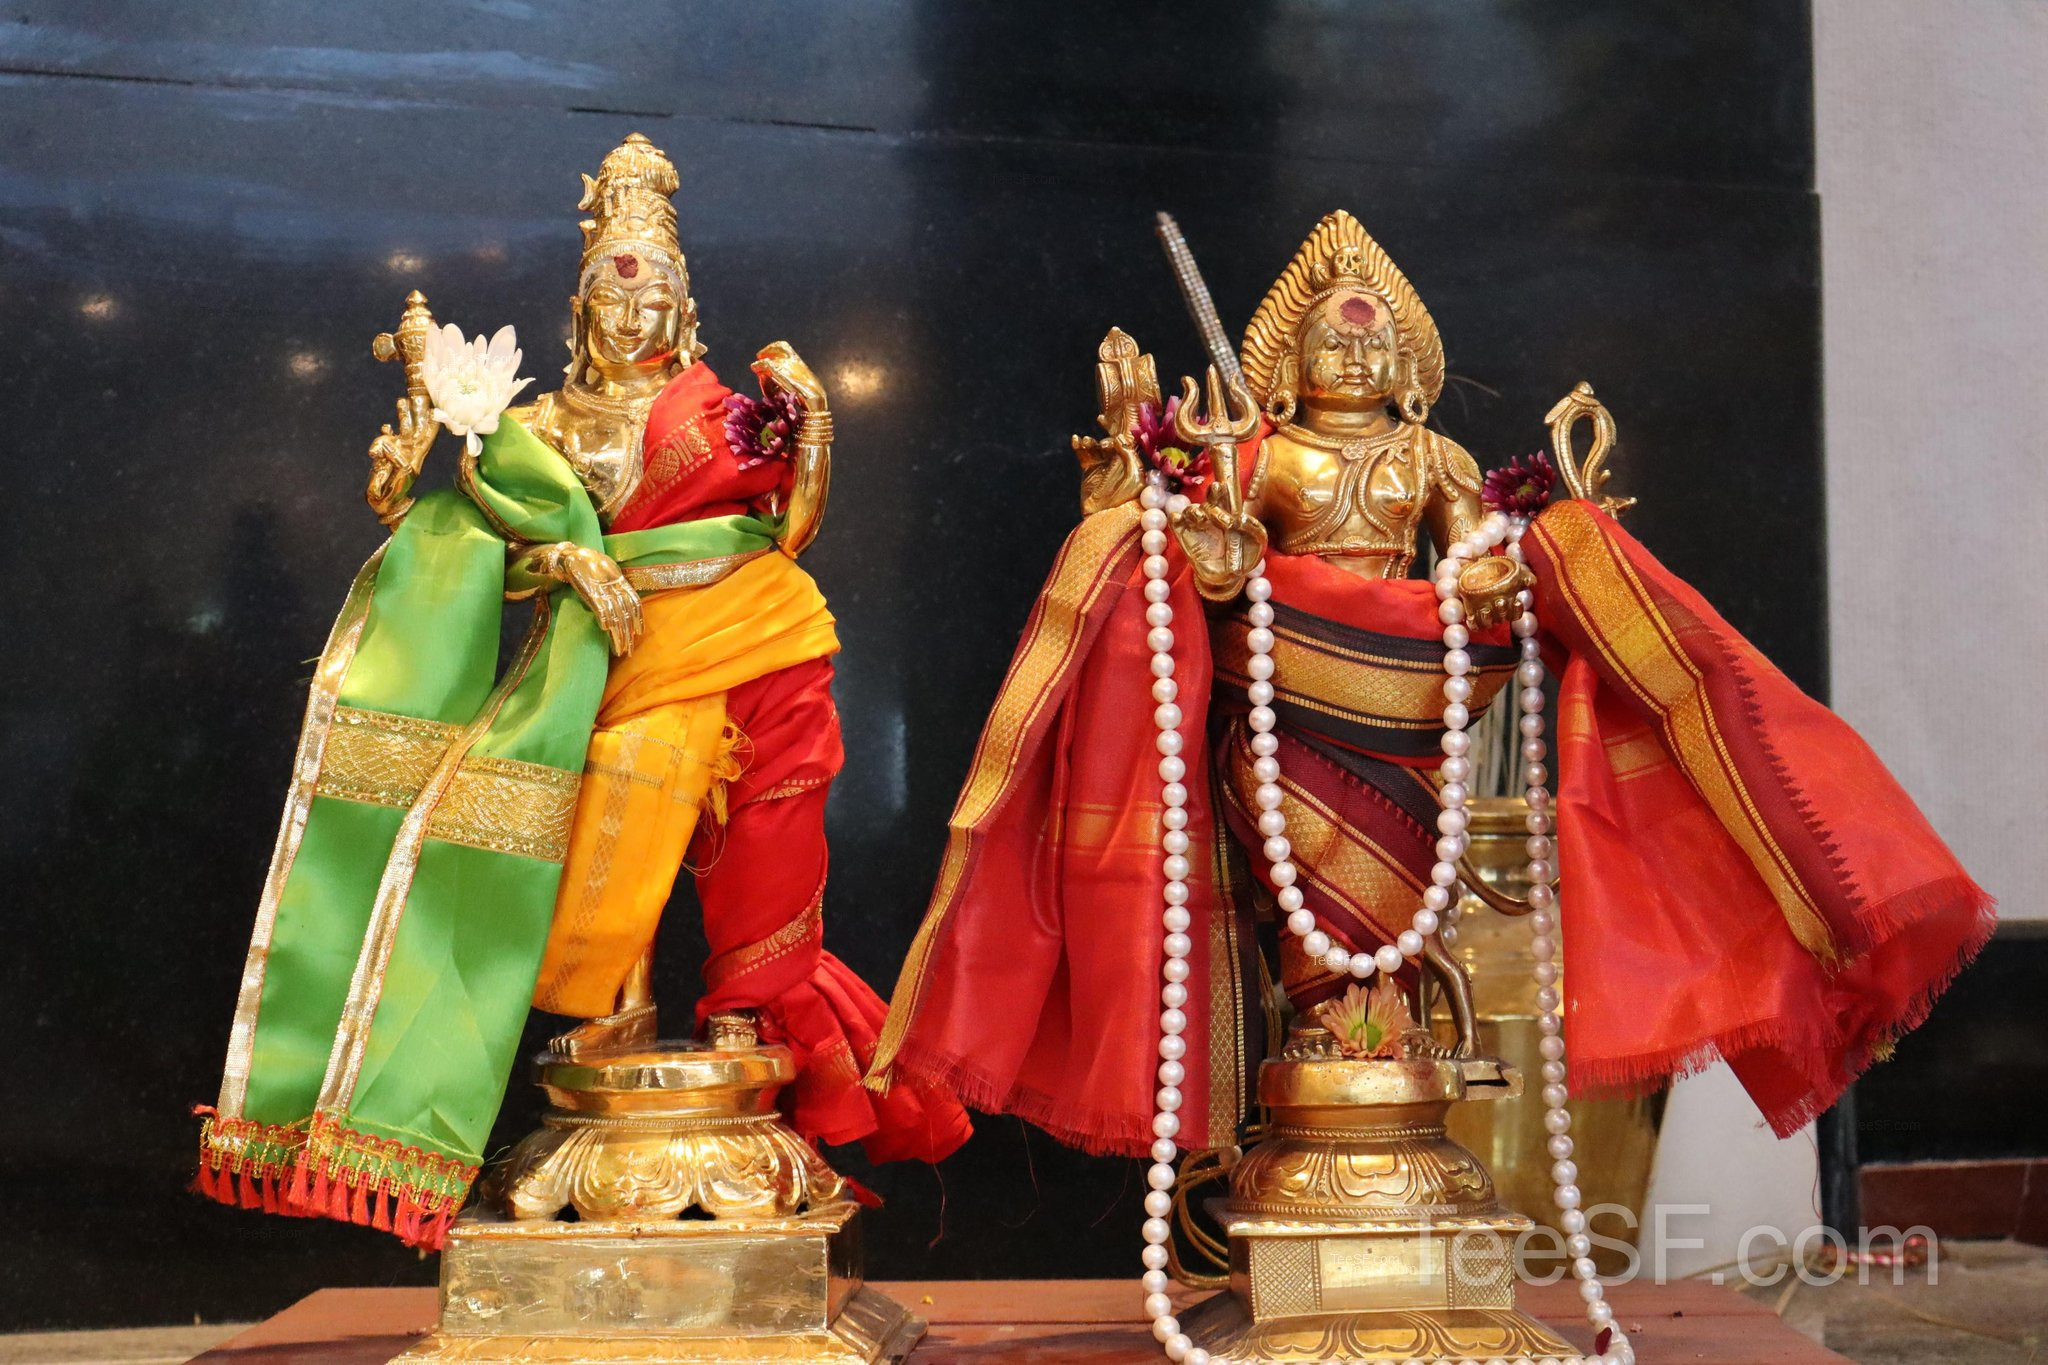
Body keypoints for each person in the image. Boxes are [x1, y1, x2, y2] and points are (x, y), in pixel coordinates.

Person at [868, 210, 1993, 1161]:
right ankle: (1326, 1054)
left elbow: (1471, 562)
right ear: (1283, 367)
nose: (1351, 363)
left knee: (1409, 891)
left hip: (1414, 700)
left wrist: (1507, 573)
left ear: (1407, 365)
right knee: (1294, 875)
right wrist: (1201, 536)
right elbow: (1208, 569)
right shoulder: (1258, 457)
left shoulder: (1433, 460)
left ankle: (1392, 1046)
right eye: (1329, 347)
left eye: (1371, 348)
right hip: (1283, 703)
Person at [197, 134, 968, 1249]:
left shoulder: (720, 415)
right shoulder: (541, 425)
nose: (633, 313)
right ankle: (612, 1022)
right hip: (601, 671)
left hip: (756, 646)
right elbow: (483, 544)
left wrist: (816, 441)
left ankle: (751, 1031)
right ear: (578, 307)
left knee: (759, 853)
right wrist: (560, 553)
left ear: (683, 309)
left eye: (654, 293)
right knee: (610, 789)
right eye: (613, 292)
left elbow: (789, 534)